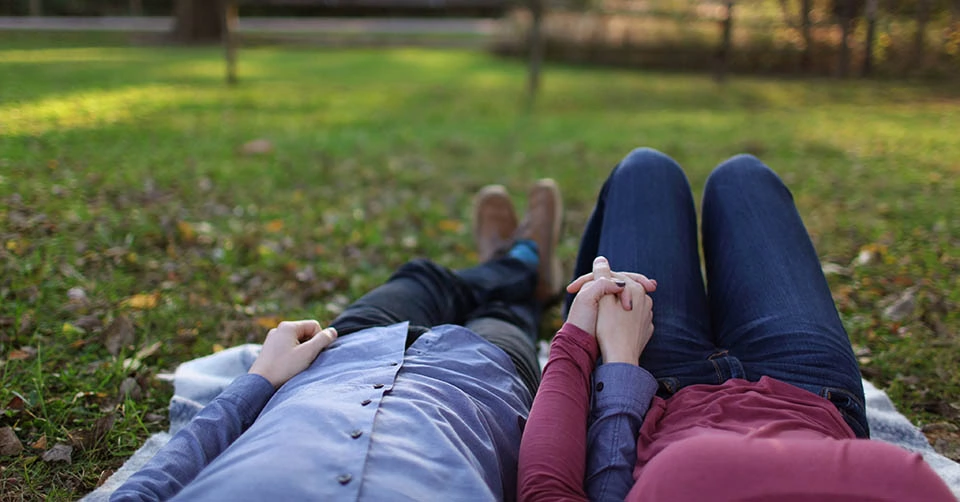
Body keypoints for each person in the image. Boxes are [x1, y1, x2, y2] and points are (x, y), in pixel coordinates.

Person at [518, 149, 955, 501]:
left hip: (653, 389)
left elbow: (548, 489)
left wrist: (586, 341)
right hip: (812, 395)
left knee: (645, 172)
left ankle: (535, 273)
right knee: (744, 177)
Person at [112, 180, 565, 501]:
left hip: (339, 360)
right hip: (480, 393)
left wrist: (262, 379)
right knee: (505, 314)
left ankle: (515, 264)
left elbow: (155, 482)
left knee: (423, 278)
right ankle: (523, 266)